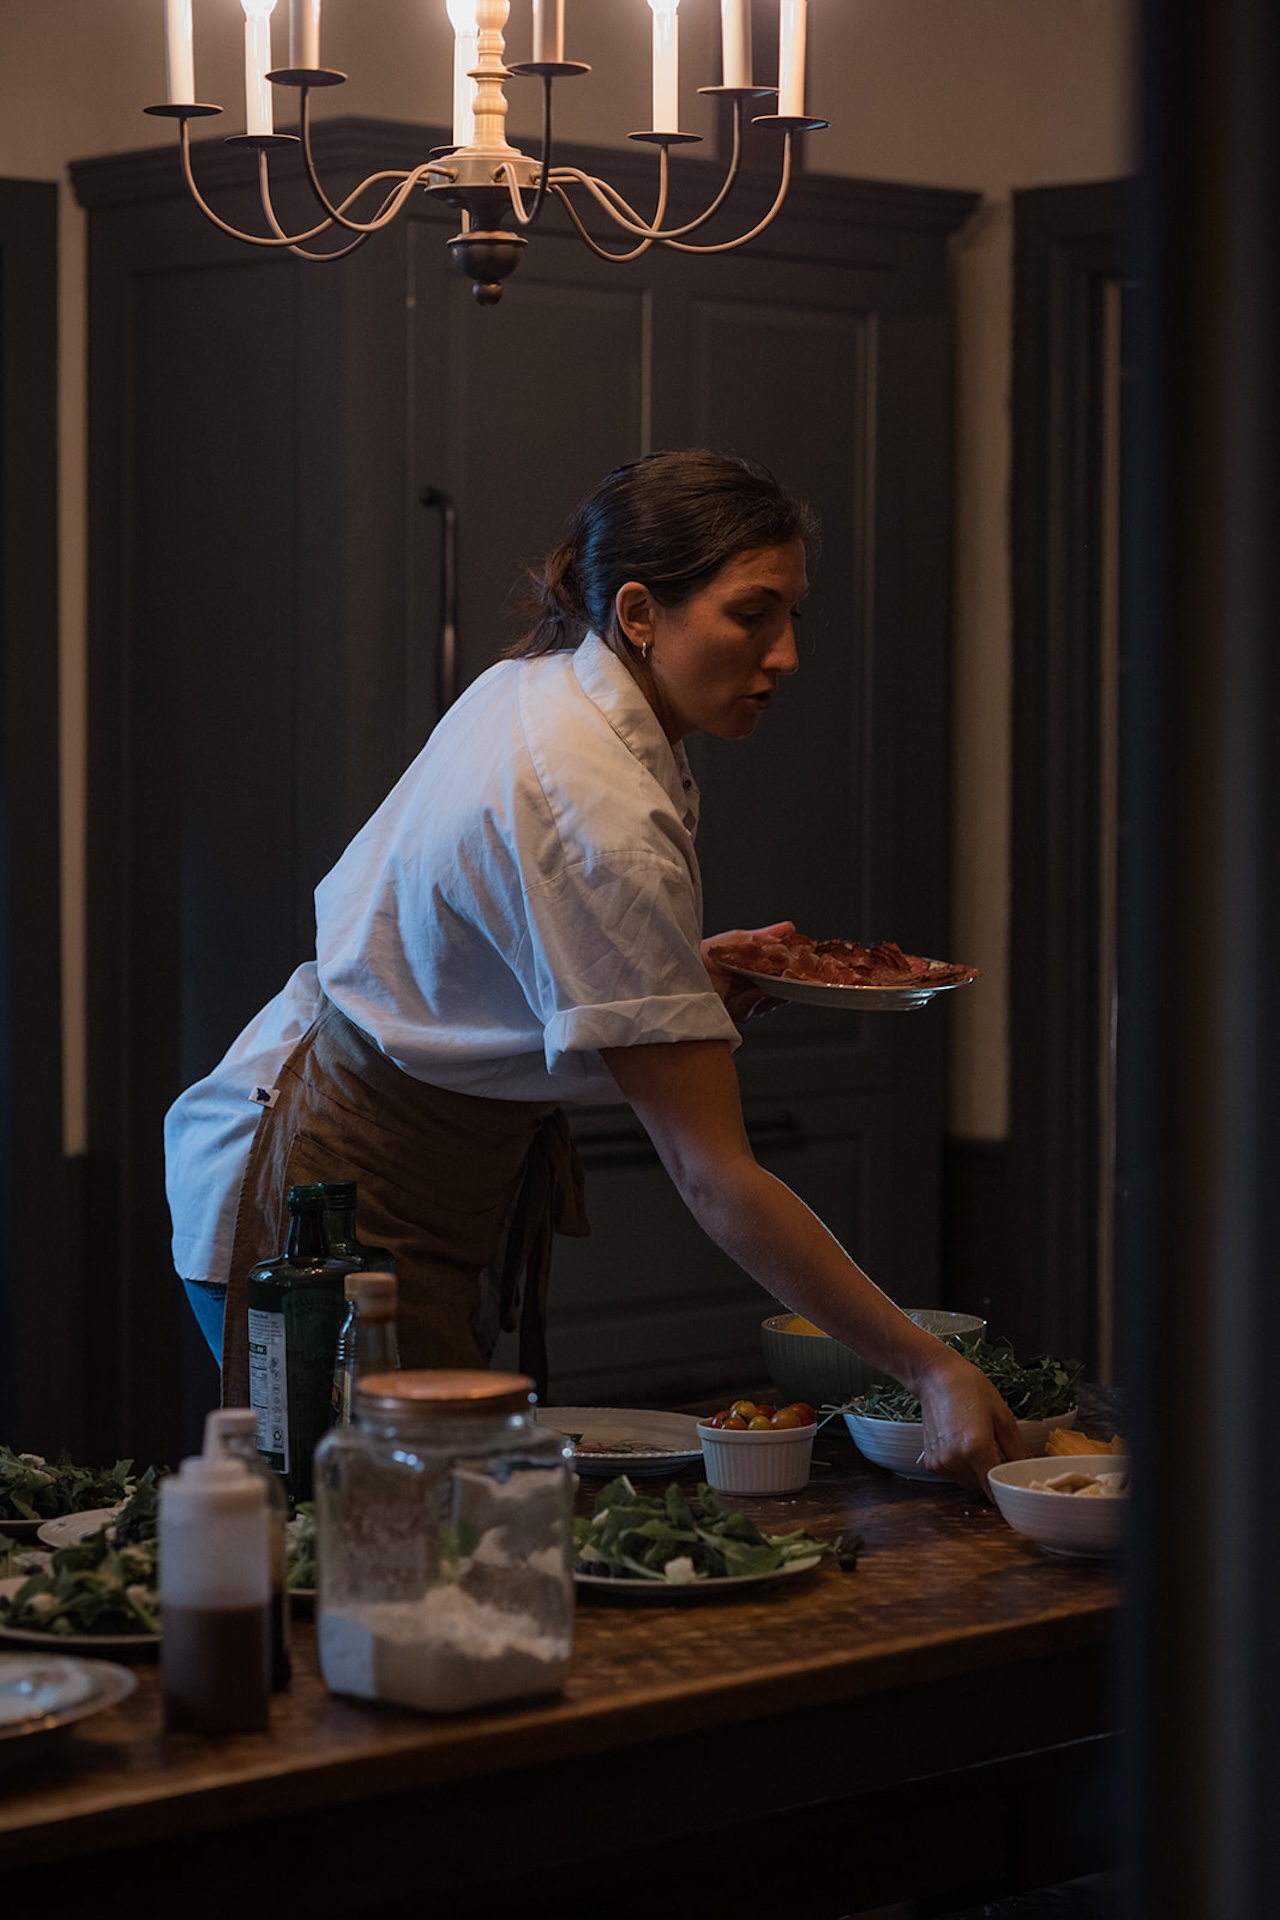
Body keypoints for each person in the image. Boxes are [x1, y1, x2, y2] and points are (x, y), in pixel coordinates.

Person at [164, 449, 1022, 1495]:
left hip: (363, 1150)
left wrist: (673, 972)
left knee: (410, 1542)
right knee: (376, 1558)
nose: (785, 652)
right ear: (639, 613)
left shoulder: (538, 686)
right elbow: (716, 1177)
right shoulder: (595, 804)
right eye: (752, 613)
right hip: (321, 1202)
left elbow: (486, 947)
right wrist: (930, 1368)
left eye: (793, 615)